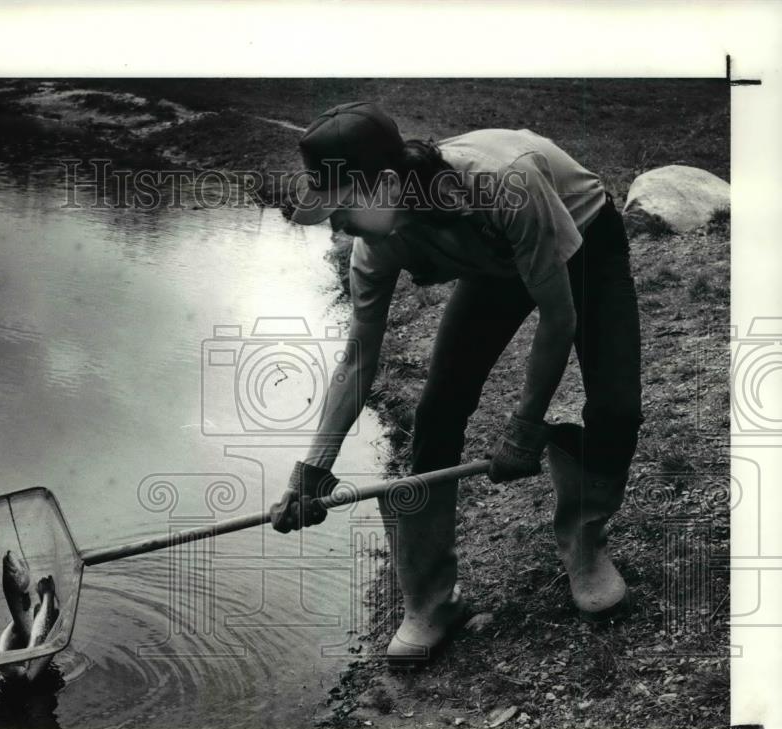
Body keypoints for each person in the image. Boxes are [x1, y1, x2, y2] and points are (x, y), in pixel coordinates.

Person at [269, 101, 643, 664]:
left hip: (581, 239)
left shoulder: (505, 182)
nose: (336, 224)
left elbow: (559, 318)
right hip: (495, 261)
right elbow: (358, 357)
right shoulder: (375, 245)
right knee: (437, 411)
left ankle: (585, 540)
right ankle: (430, 600)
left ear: (390, 183)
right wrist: (314, 468)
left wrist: (524, 426)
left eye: (343, 205)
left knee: (615, 405)